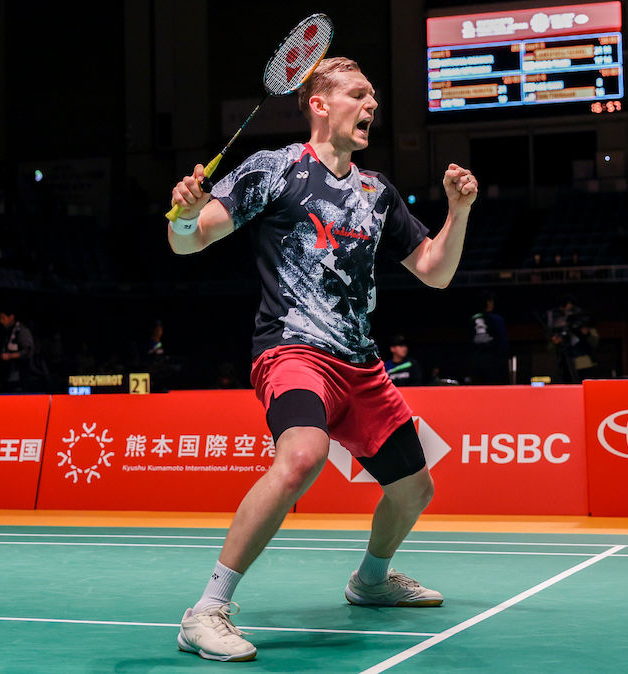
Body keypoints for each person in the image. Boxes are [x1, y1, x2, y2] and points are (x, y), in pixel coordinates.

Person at [166, 57, 477, 662]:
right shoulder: (275, 169)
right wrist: (181, 213)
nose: (372, 107)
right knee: (302, 455)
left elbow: (435, 273)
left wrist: (457, 211)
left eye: (373, 99)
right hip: (292, 350)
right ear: (319, 103)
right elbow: (191, 238)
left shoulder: (377, 192)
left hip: (361, 365)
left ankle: (370, 582)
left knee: (415, 490)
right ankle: (206, 611)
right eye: (359, 96)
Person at [469, 292, 508, 384]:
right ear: (488, 303)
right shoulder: (496, 319)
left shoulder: (472, 319)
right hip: (492, 362)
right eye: (490, 301)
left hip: (476, 361)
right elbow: (503, 342)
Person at [0, 308, 37, 391]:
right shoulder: (8, 332)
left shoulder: (22, 331)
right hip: (9, 375)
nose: (1, 321)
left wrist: (10, 356)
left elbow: (27, 351)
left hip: (21, 377)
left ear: (11, 317)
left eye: (3, 318)